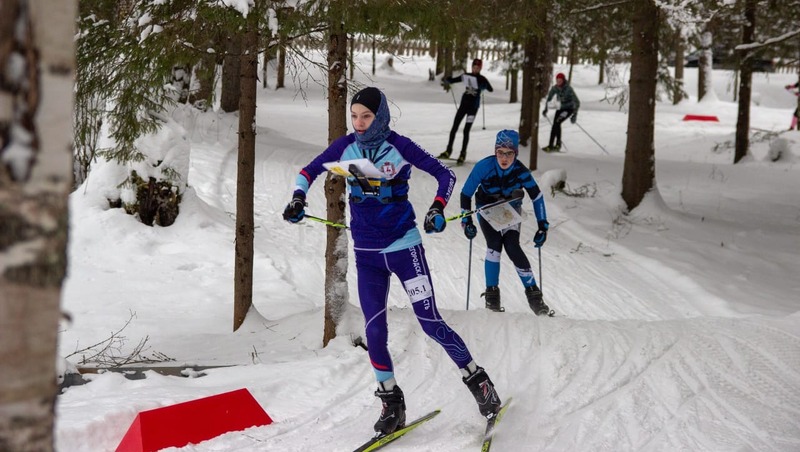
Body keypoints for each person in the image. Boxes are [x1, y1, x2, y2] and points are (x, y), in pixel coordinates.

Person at [282, 86, 502, 435]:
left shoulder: (399, 145)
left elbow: (445, 175)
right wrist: (297, 199)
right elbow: (307, 172)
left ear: (380, 116)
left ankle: (480, 383)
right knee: (374, 331)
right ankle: (391, 403)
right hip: (367, 254)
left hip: (404, 248)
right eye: (354, 116)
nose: (359, 123)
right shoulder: (346, 146)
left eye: (366, 117)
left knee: (430, 322)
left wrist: (437, 209)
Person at [459, 129, 552, 315]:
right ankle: (492, 298)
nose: (504, 158)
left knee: (512, 246)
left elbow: (537, 196)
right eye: (500, 152)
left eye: (509, 153)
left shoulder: (521, 171)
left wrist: (543, 225)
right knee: (494, 245)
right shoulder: (484, 166)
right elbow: (466, 194)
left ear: (515, 153)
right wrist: (466, 221)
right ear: (495, 151)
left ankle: (535, 298)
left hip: (510, 209)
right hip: (487, 208)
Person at [438, 58, 494, 164]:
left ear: (480, 68)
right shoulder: (467, 76)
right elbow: (455, 80)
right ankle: (448, 151)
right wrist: (448, 80)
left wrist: (483, 86)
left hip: (473, 108)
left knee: (466, 130)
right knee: (454, 127)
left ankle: (462, 154)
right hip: (463, 105)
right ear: (472, 67)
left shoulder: (482, 79)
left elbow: (491, 89)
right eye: (474, 67)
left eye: (477, 68)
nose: (475, 69)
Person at [542, 72, 580, 152]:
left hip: (568, 109)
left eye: (560, 80)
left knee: (557, 122)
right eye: (557, 80)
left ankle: (557, 145)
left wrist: (574, 114)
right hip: (560, 108)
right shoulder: (555, 88)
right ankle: (551, 145)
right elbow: (549, 98)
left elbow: (577, 102)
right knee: (555, 125)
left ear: (563, 80)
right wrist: (546, 109)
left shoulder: (568, 89)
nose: (558, 82)